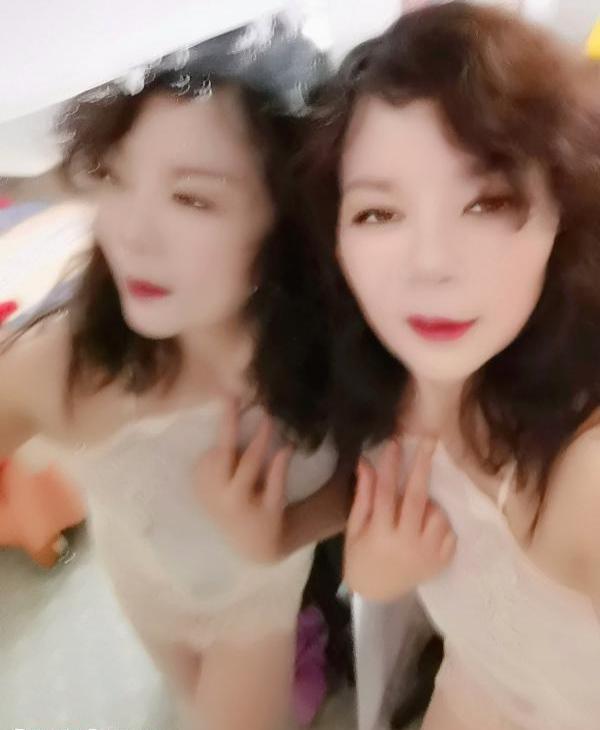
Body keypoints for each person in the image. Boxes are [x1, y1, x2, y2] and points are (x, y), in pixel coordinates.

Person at [0, 22, 352, 730]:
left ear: (286, 215)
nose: (129, 234)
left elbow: (366, 479)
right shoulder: (68, 364)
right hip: (145, 594)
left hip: (256, 612)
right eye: (116, 177)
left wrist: (281, 533)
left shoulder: (339, 343)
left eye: (191, 199)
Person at [301, 3, 600, 728]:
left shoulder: (584, 473)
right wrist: (372, 569)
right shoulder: (378, 384)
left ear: (559, 216)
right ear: (337, 241)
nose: (431, 265)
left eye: (488, 202)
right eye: (378, 213)